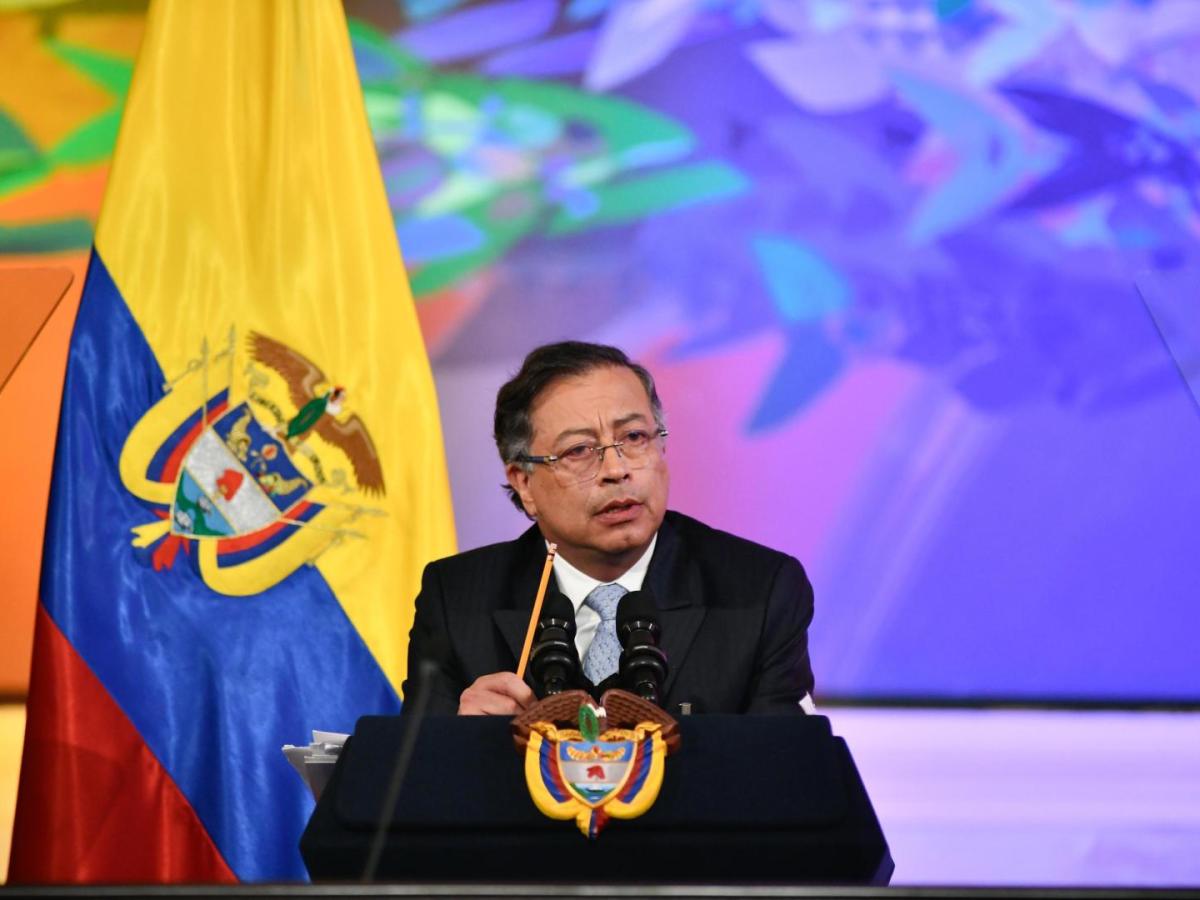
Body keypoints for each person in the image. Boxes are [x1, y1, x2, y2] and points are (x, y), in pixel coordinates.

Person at [402, 341, 815, 716]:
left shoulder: (760, 591)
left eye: (634, 437)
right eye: (579, 450)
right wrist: (460, 742)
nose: (616, 469)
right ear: (524, 483)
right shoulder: (456, 600)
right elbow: (409, 771)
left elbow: (783, 766)